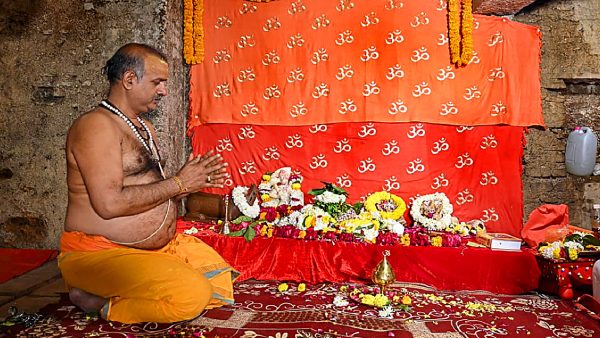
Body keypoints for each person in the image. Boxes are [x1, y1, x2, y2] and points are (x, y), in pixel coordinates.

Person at [58, 43, 238, 324]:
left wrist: (187, 184)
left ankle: (130, 288)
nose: (164, 91)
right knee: (191, 296)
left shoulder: (142, 126)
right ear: (130, 80)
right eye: (158, 82)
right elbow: (109, 204)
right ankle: (101, 303)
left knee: (219, 278)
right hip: (101, 252)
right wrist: (179, 182)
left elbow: (150, 190)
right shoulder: (96, 126)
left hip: (148, 249)